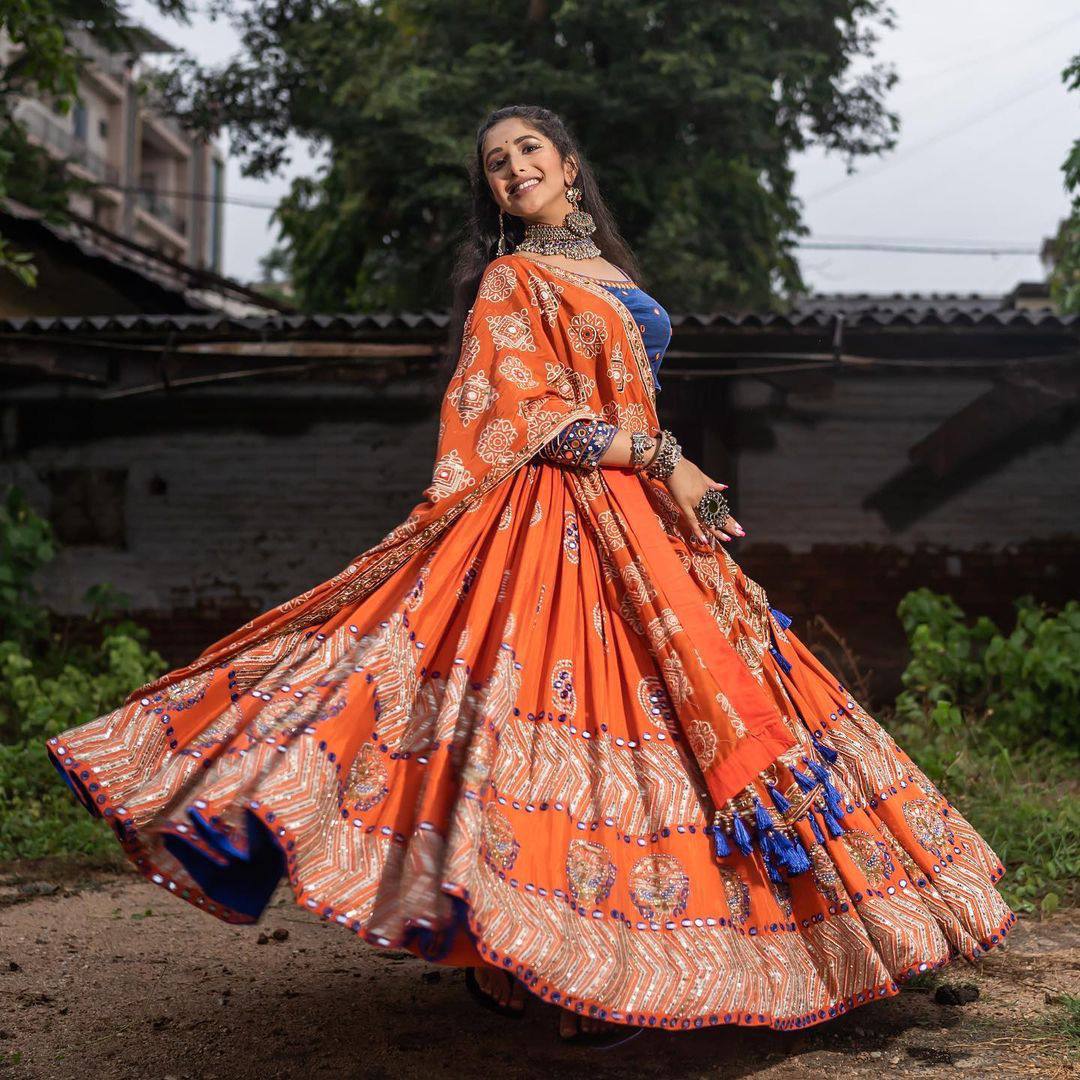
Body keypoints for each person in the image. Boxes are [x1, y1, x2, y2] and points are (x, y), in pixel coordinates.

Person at [44, 104, 1016, 1048]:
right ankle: (551, 960)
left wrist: (683, 482)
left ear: (567, 161)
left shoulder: (609, 272)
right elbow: (517, 408)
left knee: (719, 713)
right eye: (496, 164)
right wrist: (662, 458)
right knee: (558, 732)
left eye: (527, 149)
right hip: (563, 517)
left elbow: (637, 396)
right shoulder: (511, 279)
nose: (513, 169)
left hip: (653, 518)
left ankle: (810, 941)